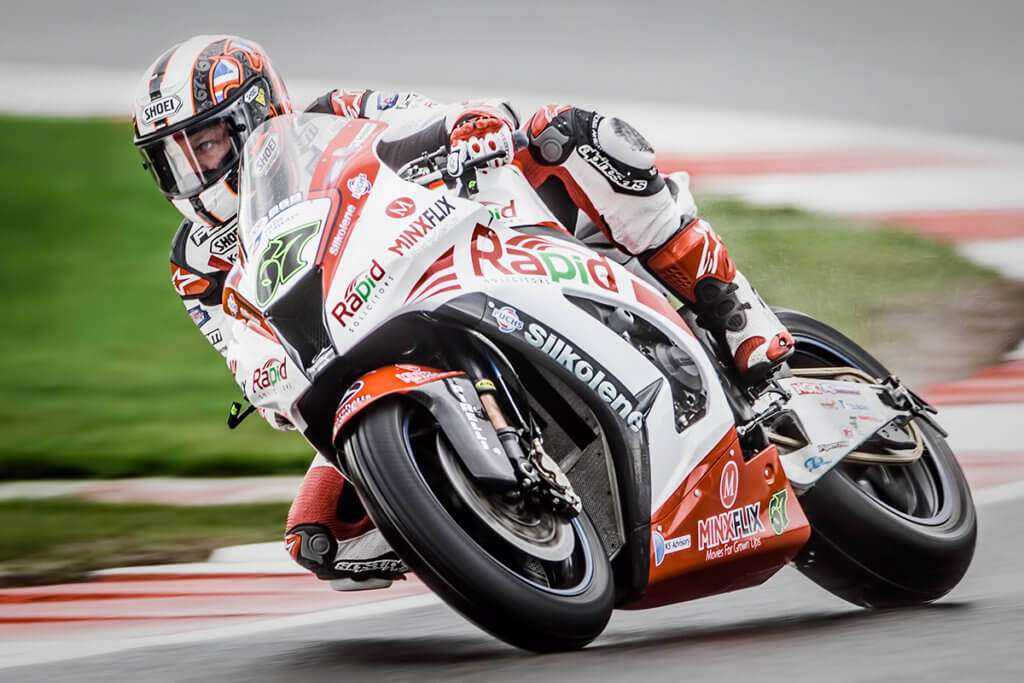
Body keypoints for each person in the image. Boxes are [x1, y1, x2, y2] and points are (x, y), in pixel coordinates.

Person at [133, 35, 794, 590]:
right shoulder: (194, 260)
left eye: (207, 143)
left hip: (476, 241)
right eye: (172, 159)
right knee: (320, 538)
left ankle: (734, 305)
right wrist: (270, 386)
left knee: (570, 132)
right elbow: (240, 343)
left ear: (254, 113)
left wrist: (467, 128)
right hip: (352, 357)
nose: (192, 174)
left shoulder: (333, 115)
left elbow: (432, 113)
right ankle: (475, 518)